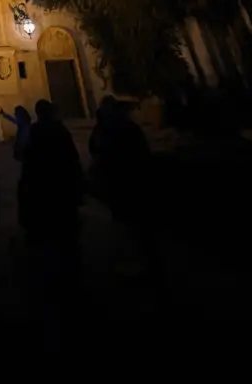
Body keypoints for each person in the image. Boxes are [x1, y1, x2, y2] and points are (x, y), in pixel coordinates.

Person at [17, 99, 85, 357]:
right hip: (62, 196)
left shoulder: (33, 134)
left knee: (46, 249)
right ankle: (73, 295)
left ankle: (52, 303)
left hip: (41, 197)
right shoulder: (62, 132)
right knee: (67, 244)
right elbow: (73, 160)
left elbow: (21, 157)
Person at [88, 96, 161, 282]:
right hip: (131, 181)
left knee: (127, 222)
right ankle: (146, 261)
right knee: (135, 222)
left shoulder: (107, 130)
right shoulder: (127, 129)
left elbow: (96, 150)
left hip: (120, 182)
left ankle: (137, 262)